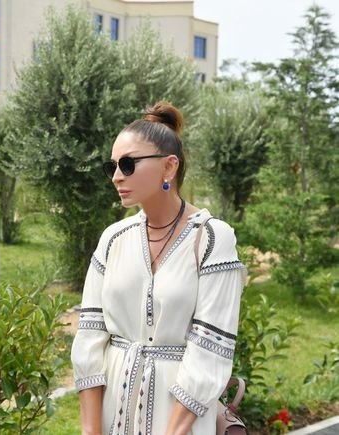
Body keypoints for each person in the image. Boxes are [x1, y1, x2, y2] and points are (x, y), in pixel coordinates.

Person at [71, 102, 246, 435]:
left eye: (128, 164)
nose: (117, 176)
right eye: (112, 166)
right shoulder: (113, 239)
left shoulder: (212, 239)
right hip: (111, 413)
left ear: (169, 167)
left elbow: (210, 353)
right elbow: (89, 340)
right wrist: (91, 430)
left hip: (180, 418)